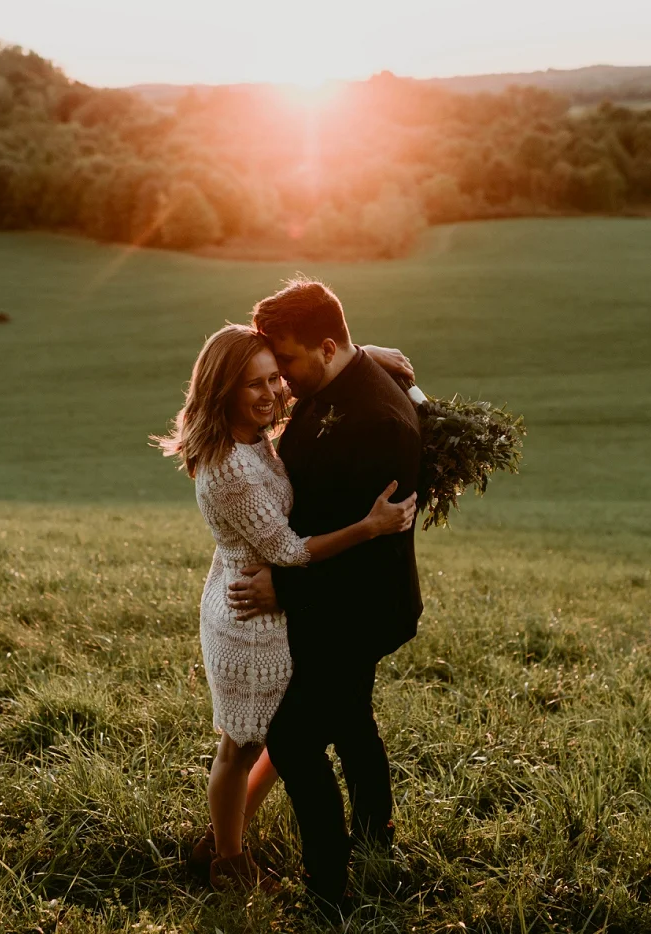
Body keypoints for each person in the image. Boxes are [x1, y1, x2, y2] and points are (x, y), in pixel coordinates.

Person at [154, 323, 417, 890]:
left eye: (275, 377)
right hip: (249, 617)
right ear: (222, 389)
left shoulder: (252, 427)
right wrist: (370, 527)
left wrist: (363, 354)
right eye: (255, 383)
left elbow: (315, 363)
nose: (273, 392)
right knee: (241, 746)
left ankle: (224, 835)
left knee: (286, 734)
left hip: (273, 610)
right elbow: (292, 552)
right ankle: (227, 862)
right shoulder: (231, 469)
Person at [227, 277, 423, 913]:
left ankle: (328, 890)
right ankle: (375, 838)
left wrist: (281, 585)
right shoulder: (334, 376)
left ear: (327, 345)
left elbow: (373, 546)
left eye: (284, 359)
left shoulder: (379, 422)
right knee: (349, 719)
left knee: (293, 740)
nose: (278, 376)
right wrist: (373, 352)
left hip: (360, 608)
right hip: (329, 598)